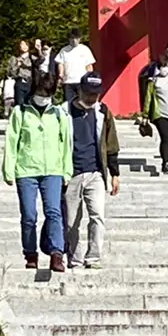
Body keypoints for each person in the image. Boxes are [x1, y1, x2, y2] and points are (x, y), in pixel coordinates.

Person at [2, 65, 73, 272]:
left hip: (53, 170)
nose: (44, 97)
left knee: (54, 212)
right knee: (29, 215)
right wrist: (9, 169)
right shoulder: (20, 112)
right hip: (26, 170)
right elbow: (12, 141)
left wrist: (66, 171)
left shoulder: (59, 114)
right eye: (41, 93)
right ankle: (30, 252)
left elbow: (65, 144)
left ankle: (57, 253)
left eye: (48, 94)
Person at [65, 73, 121, 269]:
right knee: (72, 221)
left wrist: (114, 173)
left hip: (95, 172)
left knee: (97, 215)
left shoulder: (103, 112)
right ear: (79, 90)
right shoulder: (64, 112)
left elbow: (111, 143)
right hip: (70, 173)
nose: (91, 98)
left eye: (95, 95)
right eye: (88, 94)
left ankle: (94, 256)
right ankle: (75, 257)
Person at [54, 28, 96, 101]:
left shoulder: (85, 49)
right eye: (72, 38)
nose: (74, 41)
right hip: (68, 82)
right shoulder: (64, 50)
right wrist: (60, 75)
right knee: (68, 102)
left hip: (81, 82)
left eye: (76, 38)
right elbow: (61, 64)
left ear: (80, 39)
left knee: (82, 101)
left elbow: (89, 66)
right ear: (69, 39)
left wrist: (90, 78)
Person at [9, 39, 34, 109]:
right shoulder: (14, 58)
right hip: (19, 81)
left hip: (30, 82)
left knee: (30, 103)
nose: (24, 46)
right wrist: (17, 65)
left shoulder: (32, 57)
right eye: (22, 44)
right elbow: (11, 72)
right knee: (19, 103)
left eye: (26, 44)